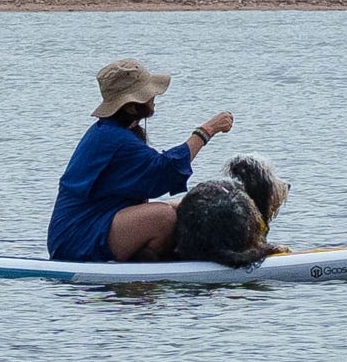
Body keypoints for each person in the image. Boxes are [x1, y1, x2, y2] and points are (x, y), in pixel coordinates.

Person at [46, 58, 237, 263]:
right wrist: (206, 131)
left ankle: (147, 259)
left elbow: (149, 179)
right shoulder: (114, 138)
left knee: (185, 205)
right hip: (77, 238)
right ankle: (148, 263)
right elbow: (165, 171)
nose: (154, 97)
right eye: (148, 94)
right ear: (131, 107)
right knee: (165, 216)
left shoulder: (114, 132)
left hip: (90, 225)